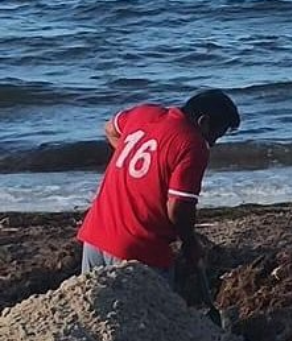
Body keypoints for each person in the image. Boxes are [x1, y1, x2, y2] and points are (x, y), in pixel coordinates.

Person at [77, 90, 241, 279]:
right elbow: (179, 207)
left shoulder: (142, 114)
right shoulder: (192, 144)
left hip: (95, 235)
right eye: (215, 135)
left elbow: (110, 129)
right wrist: (189, 243)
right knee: (152, 307)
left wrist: (127, 158)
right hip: (139, 249)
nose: (212, 143)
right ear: (203, 122)